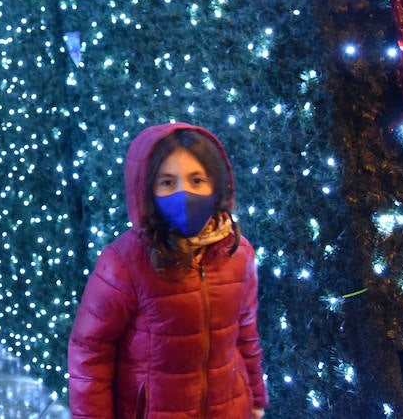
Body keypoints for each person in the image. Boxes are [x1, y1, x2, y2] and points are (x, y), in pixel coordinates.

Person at [68, 122, 267, 419]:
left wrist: (255, 397)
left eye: (197, 180)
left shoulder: (238, 253)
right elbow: (90, 352)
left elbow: (245, 333)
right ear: (148, 190)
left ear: (216, 183)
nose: (184, 193)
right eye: (167, 182)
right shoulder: (123, 262)